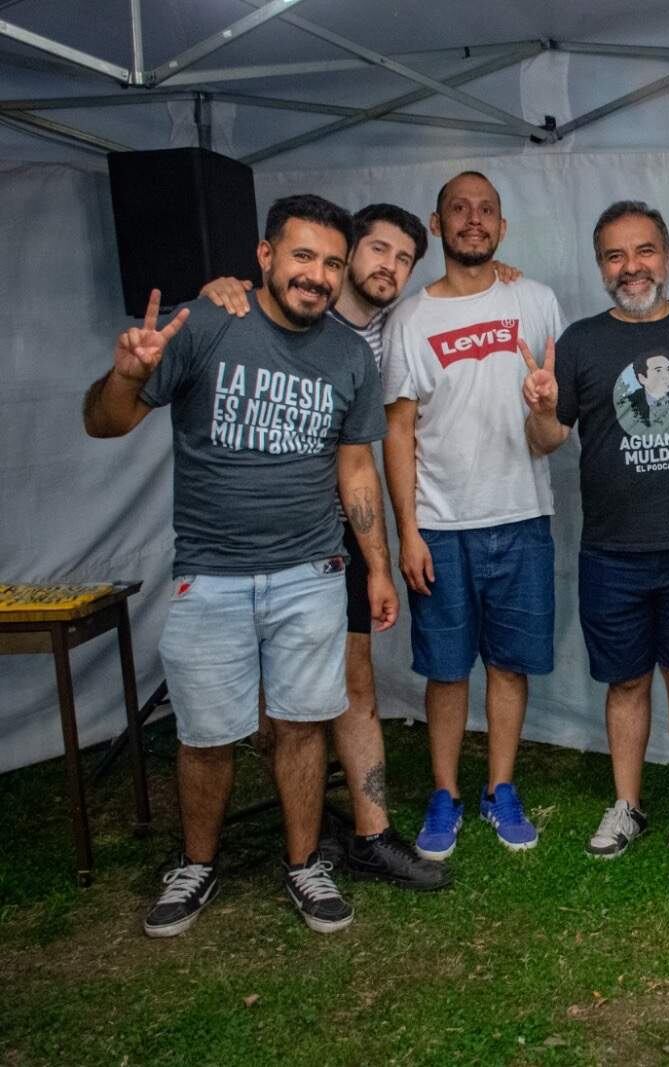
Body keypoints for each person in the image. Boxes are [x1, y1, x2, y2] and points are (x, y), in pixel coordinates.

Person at [84, 193, 399, 936]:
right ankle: (197, 863)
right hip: (210, 576)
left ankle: (304, 863)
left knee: (301, 726)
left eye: (332, 263)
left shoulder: (350, 356)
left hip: (311, 573)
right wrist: (125, 375)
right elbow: (104, 423)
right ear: (264, 255)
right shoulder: (206, 322)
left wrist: (378, 567)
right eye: (302, 256)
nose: (317, 276)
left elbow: (357, 469)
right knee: (205, 735)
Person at [199, 203, 447, 891]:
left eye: (403, 258)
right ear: (346, 254)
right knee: (274, 702)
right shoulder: (287, 308)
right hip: (264, 534)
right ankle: (300, 833)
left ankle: (371, 833)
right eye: (377, 249)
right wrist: (221, 287)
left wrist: (379, 560)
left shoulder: (394, 327)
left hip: (343, 534)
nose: (388, 266)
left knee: (356, 685)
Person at [523, 200, 669, 861]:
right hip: (611, 552)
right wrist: (539, 406)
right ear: (601, 268)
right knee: (625, 682)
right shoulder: (580, 342)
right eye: (615, 256)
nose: (631, 266)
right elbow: (546, 440)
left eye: (644, 250)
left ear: (668, 258)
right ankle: (628, 804)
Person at [381, 171, 565, 860]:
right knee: (448, 669)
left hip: (522, 515)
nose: (473, 219)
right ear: (437, 224)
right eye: (459, 208)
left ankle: (501, 787)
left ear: (503, 226)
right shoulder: (410, 318)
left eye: (486, 209)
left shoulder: (535, 300)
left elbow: (555, 424)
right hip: (441, 524)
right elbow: (398, 430)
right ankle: (445, 793)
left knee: (510, 665)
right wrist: (407, 531)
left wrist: (548, 409)